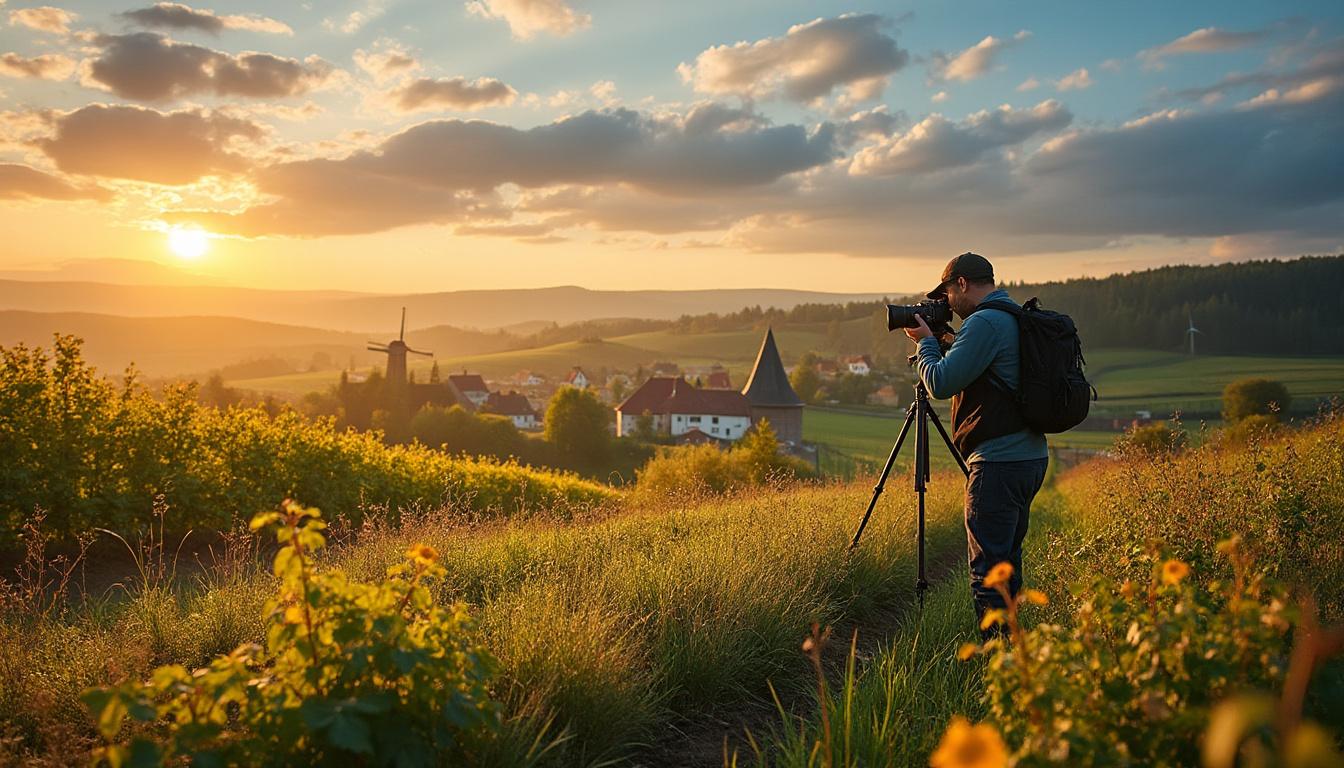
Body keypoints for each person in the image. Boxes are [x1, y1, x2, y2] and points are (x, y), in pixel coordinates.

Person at [903, 252, 1048, 638]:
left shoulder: (984, 323)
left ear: (962, 284)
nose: (946, 302)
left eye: (948, 292)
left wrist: (926, 345)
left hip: (999, 462)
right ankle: (1016, 657)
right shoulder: (1011, 316)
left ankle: (998, 665)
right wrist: (949, 340)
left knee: (987, 572)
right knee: (1006, 566)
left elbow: (940, 383)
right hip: (1029, 456)